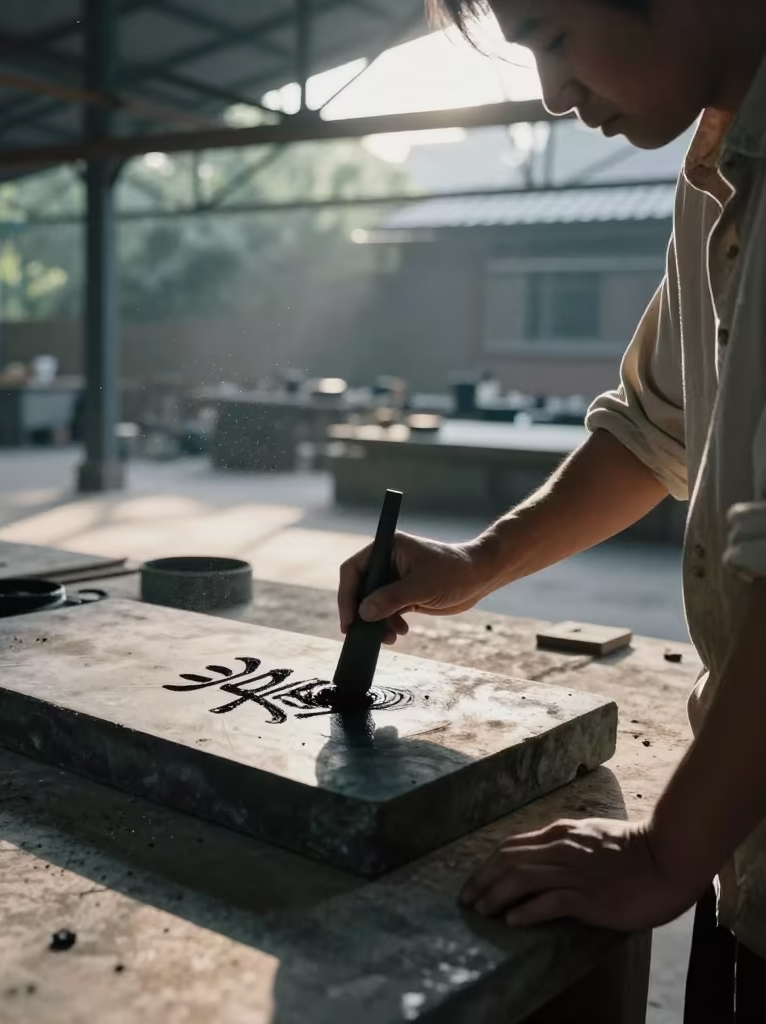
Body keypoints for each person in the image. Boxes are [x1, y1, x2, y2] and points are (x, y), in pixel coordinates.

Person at [336, 0, 766, 1017]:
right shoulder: (716, 174)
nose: (552, 96)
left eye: (554, 37)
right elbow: (646, 432)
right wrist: (475, 564)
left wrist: (664, 853)